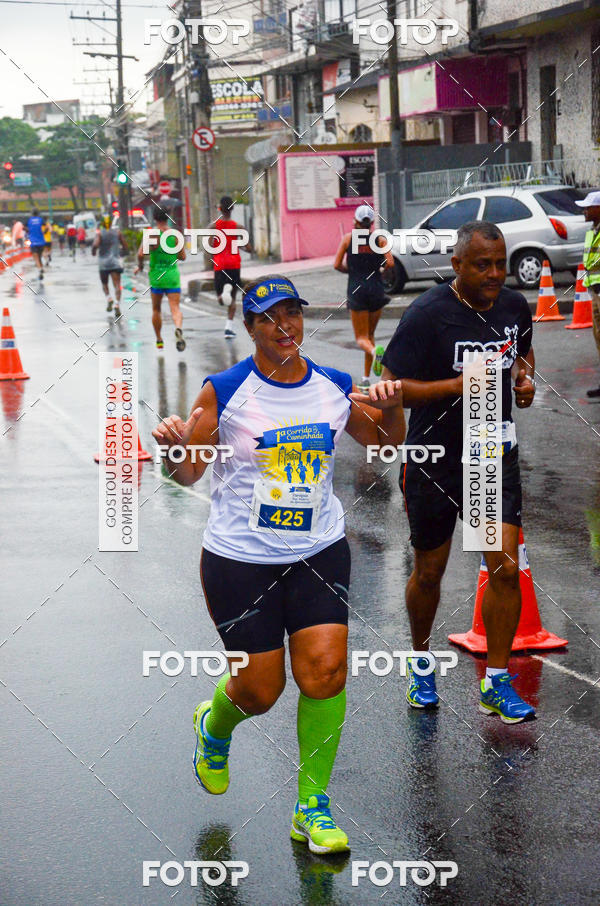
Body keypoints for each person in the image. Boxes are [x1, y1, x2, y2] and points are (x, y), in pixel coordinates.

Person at [152, 274, 406, 854]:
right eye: (268, 317)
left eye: (291, 313)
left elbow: (385, 447)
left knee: (325, 672)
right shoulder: (225, 390)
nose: (283, 326)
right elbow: (188, 474)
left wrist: (393, 412)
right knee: (260, 691)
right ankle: (213, 727)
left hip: (319, 549)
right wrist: (171, 449)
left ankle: (311, 806)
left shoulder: (334, 385)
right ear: (250, 327)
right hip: (241, 561)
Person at [382, 220, 537, 724]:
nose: (494, 274)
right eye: (481, 265)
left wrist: (523, 380)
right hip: (434, 458)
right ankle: (421, 662)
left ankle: (496, 681)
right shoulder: (428, 314)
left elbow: (522, 352)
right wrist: (457, 387)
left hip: (490, 455)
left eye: (500, 263)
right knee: (430, 571)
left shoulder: (514, 306)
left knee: (505, 567)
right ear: (457, 265)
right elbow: (392, 386)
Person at [333, 204, 394, 391]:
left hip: (356, 289)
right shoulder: (380, 240)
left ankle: (376, 353)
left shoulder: (348, 239)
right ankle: (366, 379)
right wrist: (381, 272)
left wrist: (350, 271)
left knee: (361, 338)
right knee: (370, 336)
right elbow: (390, 262)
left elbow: (336, 265)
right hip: (376, 289)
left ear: (356, 221)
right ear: (372, 223)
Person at [135, 209, 186, 351]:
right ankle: (178, 328)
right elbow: (182, 257)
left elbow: (140, 254)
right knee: (175, 308)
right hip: (172, 276)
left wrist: (140, 266)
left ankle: (159, 339)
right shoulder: (175, 235)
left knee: (156, 309)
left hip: (157, 277)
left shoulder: (151, 235)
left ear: (154, 218)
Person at [210, 195, 253, 338]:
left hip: (220, 265)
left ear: (219, 209)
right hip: (234, 265)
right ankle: (228, 328)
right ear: (233, 209)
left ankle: (223, 295)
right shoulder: (239, 227)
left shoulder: (212, 227)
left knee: (221, 299)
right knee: (233, 300)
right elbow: (249, 248)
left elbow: (209, 247)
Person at [575, 190, 600, 398]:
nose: (584, 210)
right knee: (599, 339)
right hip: (595, 292)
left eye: (588, 207)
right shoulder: (593, 231)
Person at [92, 215, 128, 316]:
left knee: (104, 283)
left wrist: (94, 251)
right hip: (115, 262)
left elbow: (95, 244)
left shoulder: (99, 233)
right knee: (117, 284)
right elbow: (125, 245)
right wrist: (123, 253)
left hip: (103, 264)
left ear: (102, 223)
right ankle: (116, 304)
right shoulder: (117, 232)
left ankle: (109, 298)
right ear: (111, 223)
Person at [26, 209, 46, 280]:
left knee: (36, 257)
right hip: (41, 241)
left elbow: (25, 228)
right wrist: (44, 232)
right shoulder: (41, 220)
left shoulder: (29, 220)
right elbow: (47, 226)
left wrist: (28, 231)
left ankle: (39, 270)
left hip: (33, 241)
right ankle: (41, 268)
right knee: (39, 257)